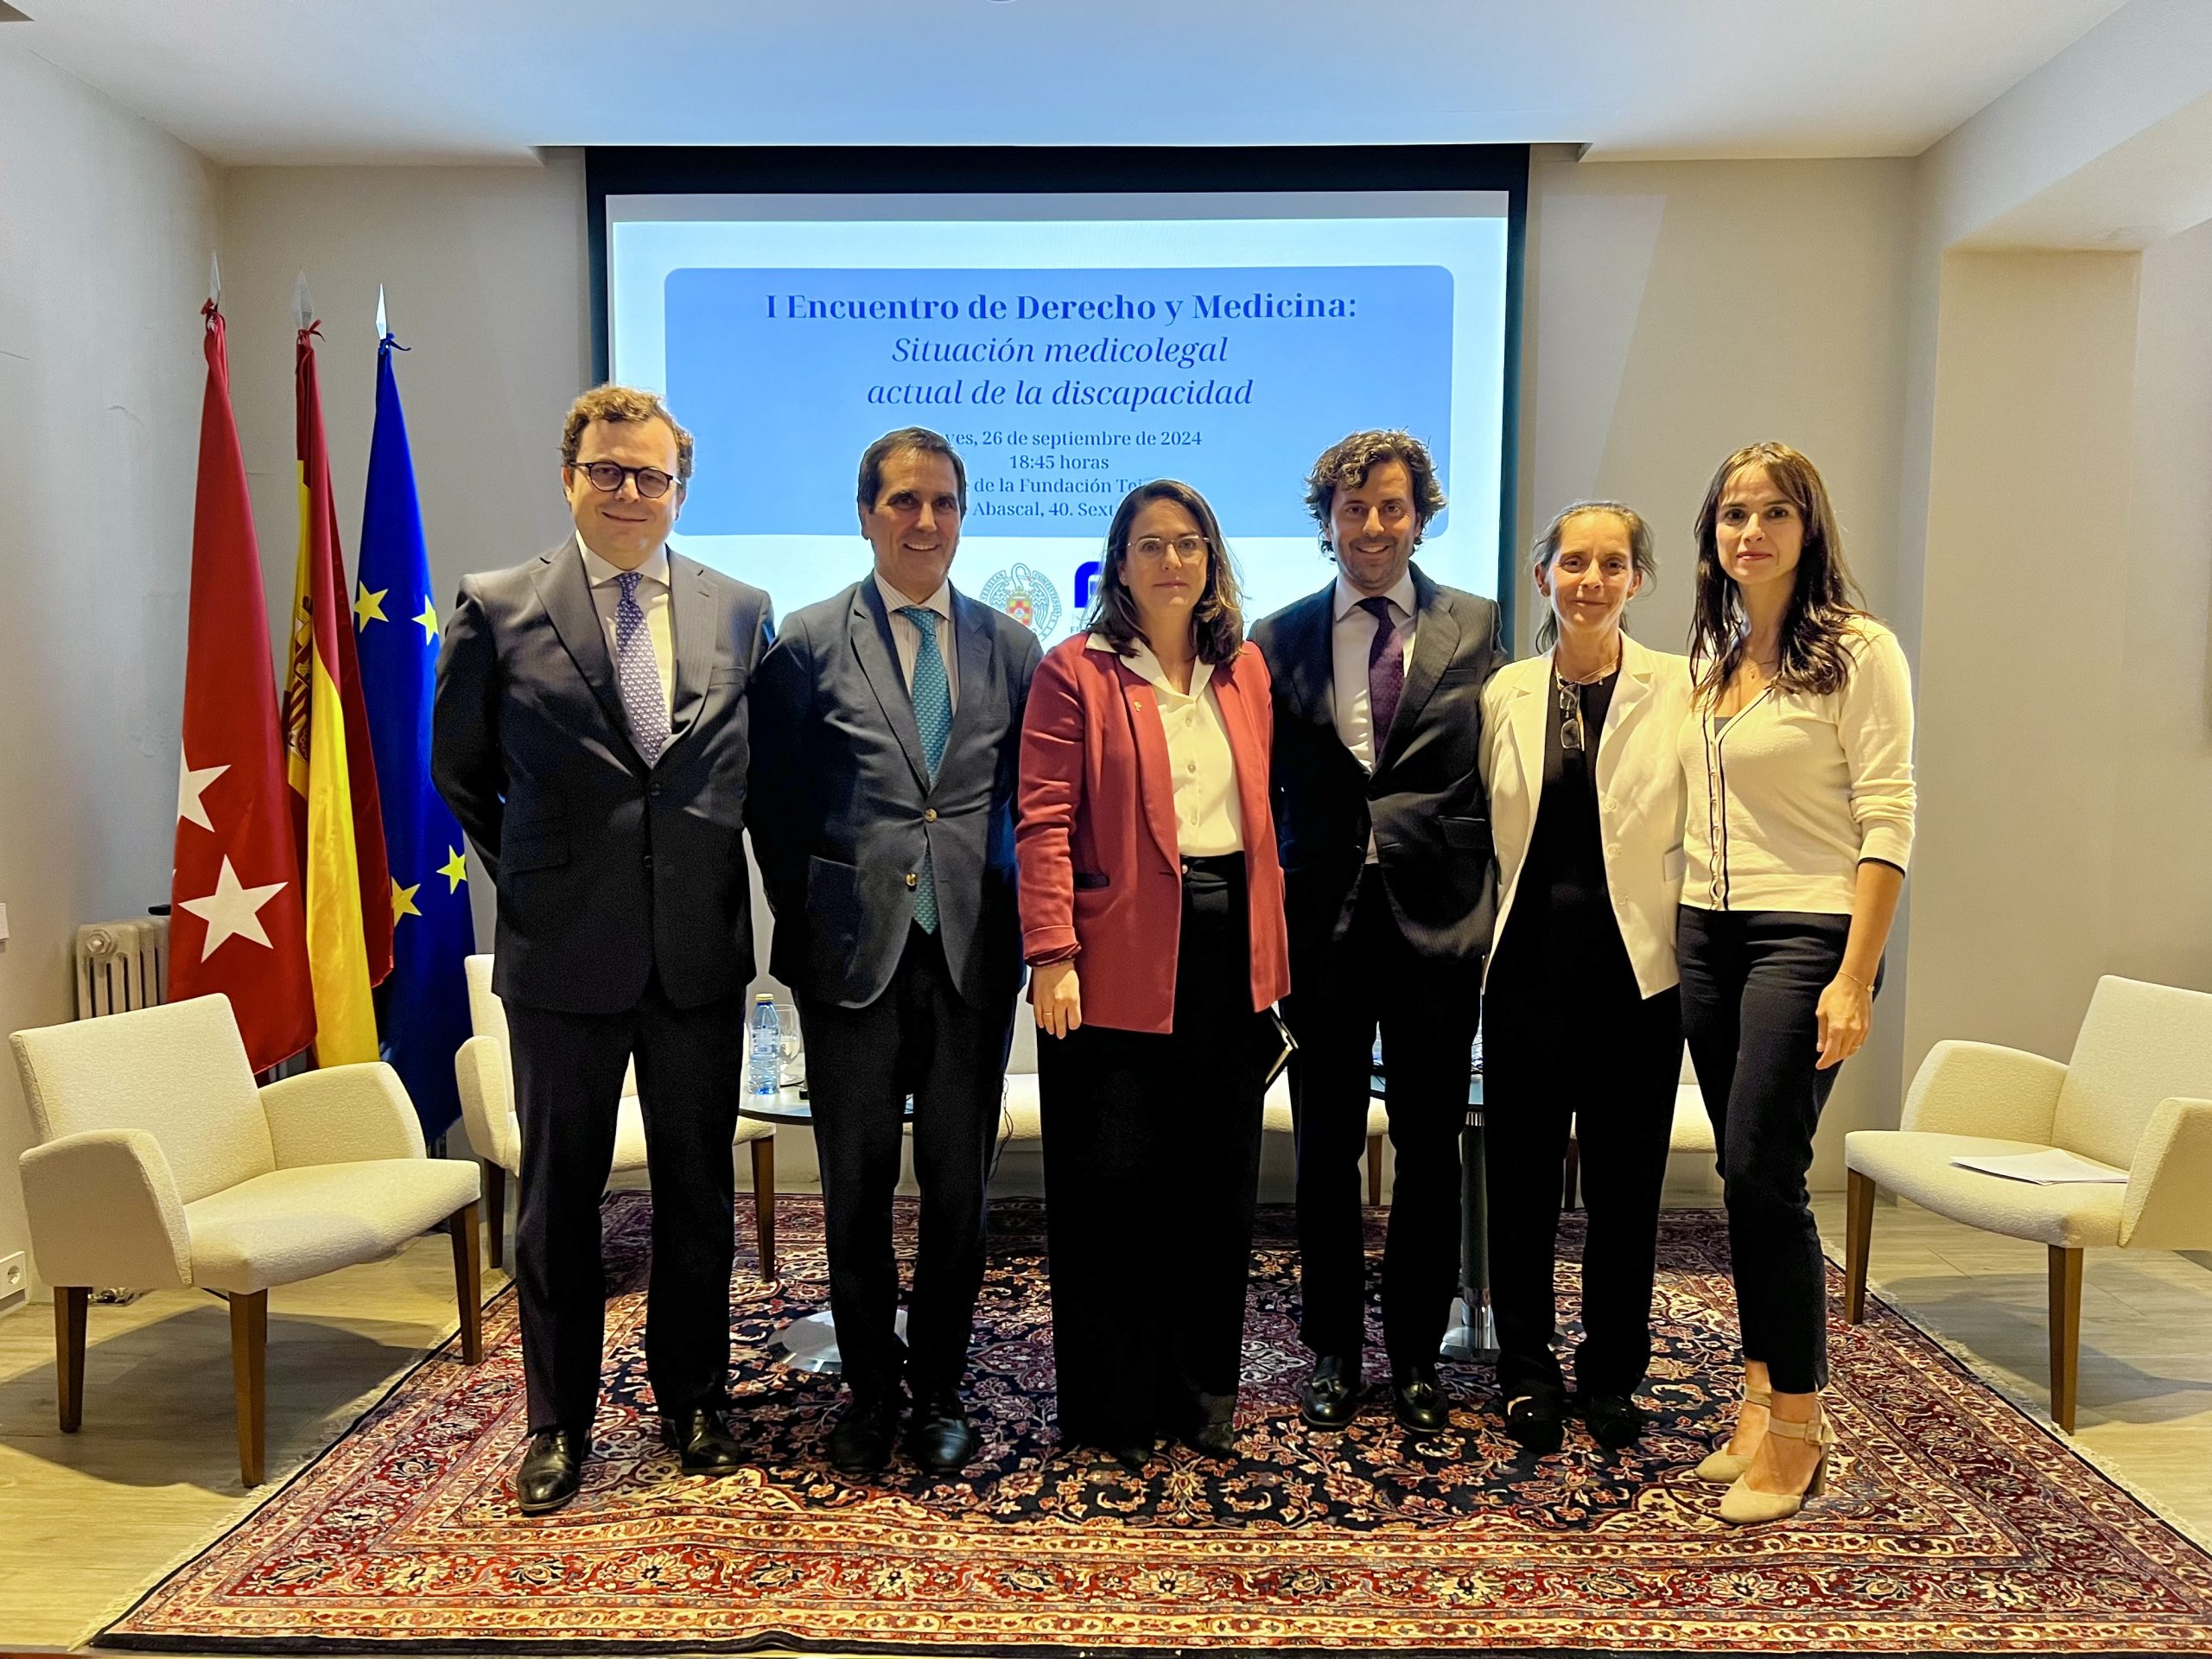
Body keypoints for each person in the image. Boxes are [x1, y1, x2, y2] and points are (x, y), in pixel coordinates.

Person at [433, 385, 773, 1515]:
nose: (631, 492)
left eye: (653, 476)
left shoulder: (739, 610)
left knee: (697, 1198)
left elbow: (746, 775)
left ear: (682, 489)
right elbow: (462, 774)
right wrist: (540, 876)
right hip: (561, 960)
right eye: (609, 471)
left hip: (696, 958)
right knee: (557, 1205)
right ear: (570, 476)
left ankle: (694, 1403)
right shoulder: (495, 606)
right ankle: (557, 1424)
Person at [748, 428, 1041, 1480]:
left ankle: (943, 1390)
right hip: (852, 962)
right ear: (867, 513)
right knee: (858, 1191)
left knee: (958, 1195)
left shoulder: (1011, 648)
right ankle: (871, 1389)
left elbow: (1024, 804)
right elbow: (774, 806)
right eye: (905, 502)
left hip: (970, 958)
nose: (926, 522)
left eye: (945, 503)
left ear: (963, 515)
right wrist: (814, 915)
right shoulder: (810, 640)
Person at [1016, 480, 1289, 1471]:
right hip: (1114, 960)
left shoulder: (1244, 671)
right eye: (1149, 545)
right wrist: (1050, 953)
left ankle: (1202, 1390)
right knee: (1111, 1191)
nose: (1172, 561)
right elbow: (1042, 820)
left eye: (1189, 543)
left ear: (1210, 558)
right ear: (1118, 563)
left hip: (1228, 960)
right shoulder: (1072, 673)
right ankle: (1111, 1403)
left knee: (1216, 1190)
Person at [1675, 442, 1914, 1525]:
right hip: (1705, 937)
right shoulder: (1715, 658)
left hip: (1803, 934)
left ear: (1808, 529)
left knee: (1765, 1165)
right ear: (1712, 536)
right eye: (1733, 515)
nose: (1751, 533)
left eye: (1774, 513)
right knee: (1740, 1176)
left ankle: (1802, 1427)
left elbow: (1889, 817)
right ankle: (1758, 1396)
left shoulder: (1859, 652)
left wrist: (1855, 974)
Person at [1250, 430, 1505, 1433]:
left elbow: (1500, 770)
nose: (1372, 527)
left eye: (1391, 507)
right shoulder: (1278, 637)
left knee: (1431, 1148)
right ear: (1326, 522)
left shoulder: (1479, 627)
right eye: (1352, 510)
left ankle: (1413, 1358)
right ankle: (1331, 1352)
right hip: (1320, 931)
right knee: (1320, 1152)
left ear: (1421, 514)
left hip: (1437, 927)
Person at [1478, 502, 1692, 1455]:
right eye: (1573, 562)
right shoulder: (1505, 693)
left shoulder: (1684, 690)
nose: (1591, 580)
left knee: (1623, 1193)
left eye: (1612, 563)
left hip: (1637, 986)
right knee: (1519, 1187)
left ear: (1637, 580)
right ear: (1544, 579)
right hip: (1524, 977)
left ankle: (1611, 1373)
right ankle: (1526, 1372)